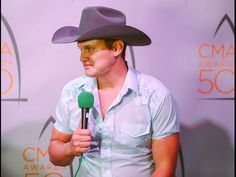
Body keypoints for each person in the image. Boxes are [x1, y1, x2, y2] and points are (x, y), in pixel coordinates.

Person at [48, 6, 180, 177]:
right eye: (81, 49)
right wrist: (69, 148)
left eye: (90, 48)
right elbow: (55, 154)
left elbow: (165, 170)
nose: (82, 57)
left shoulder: (155, 95)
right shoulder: (72, 92)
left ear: (117, 48)